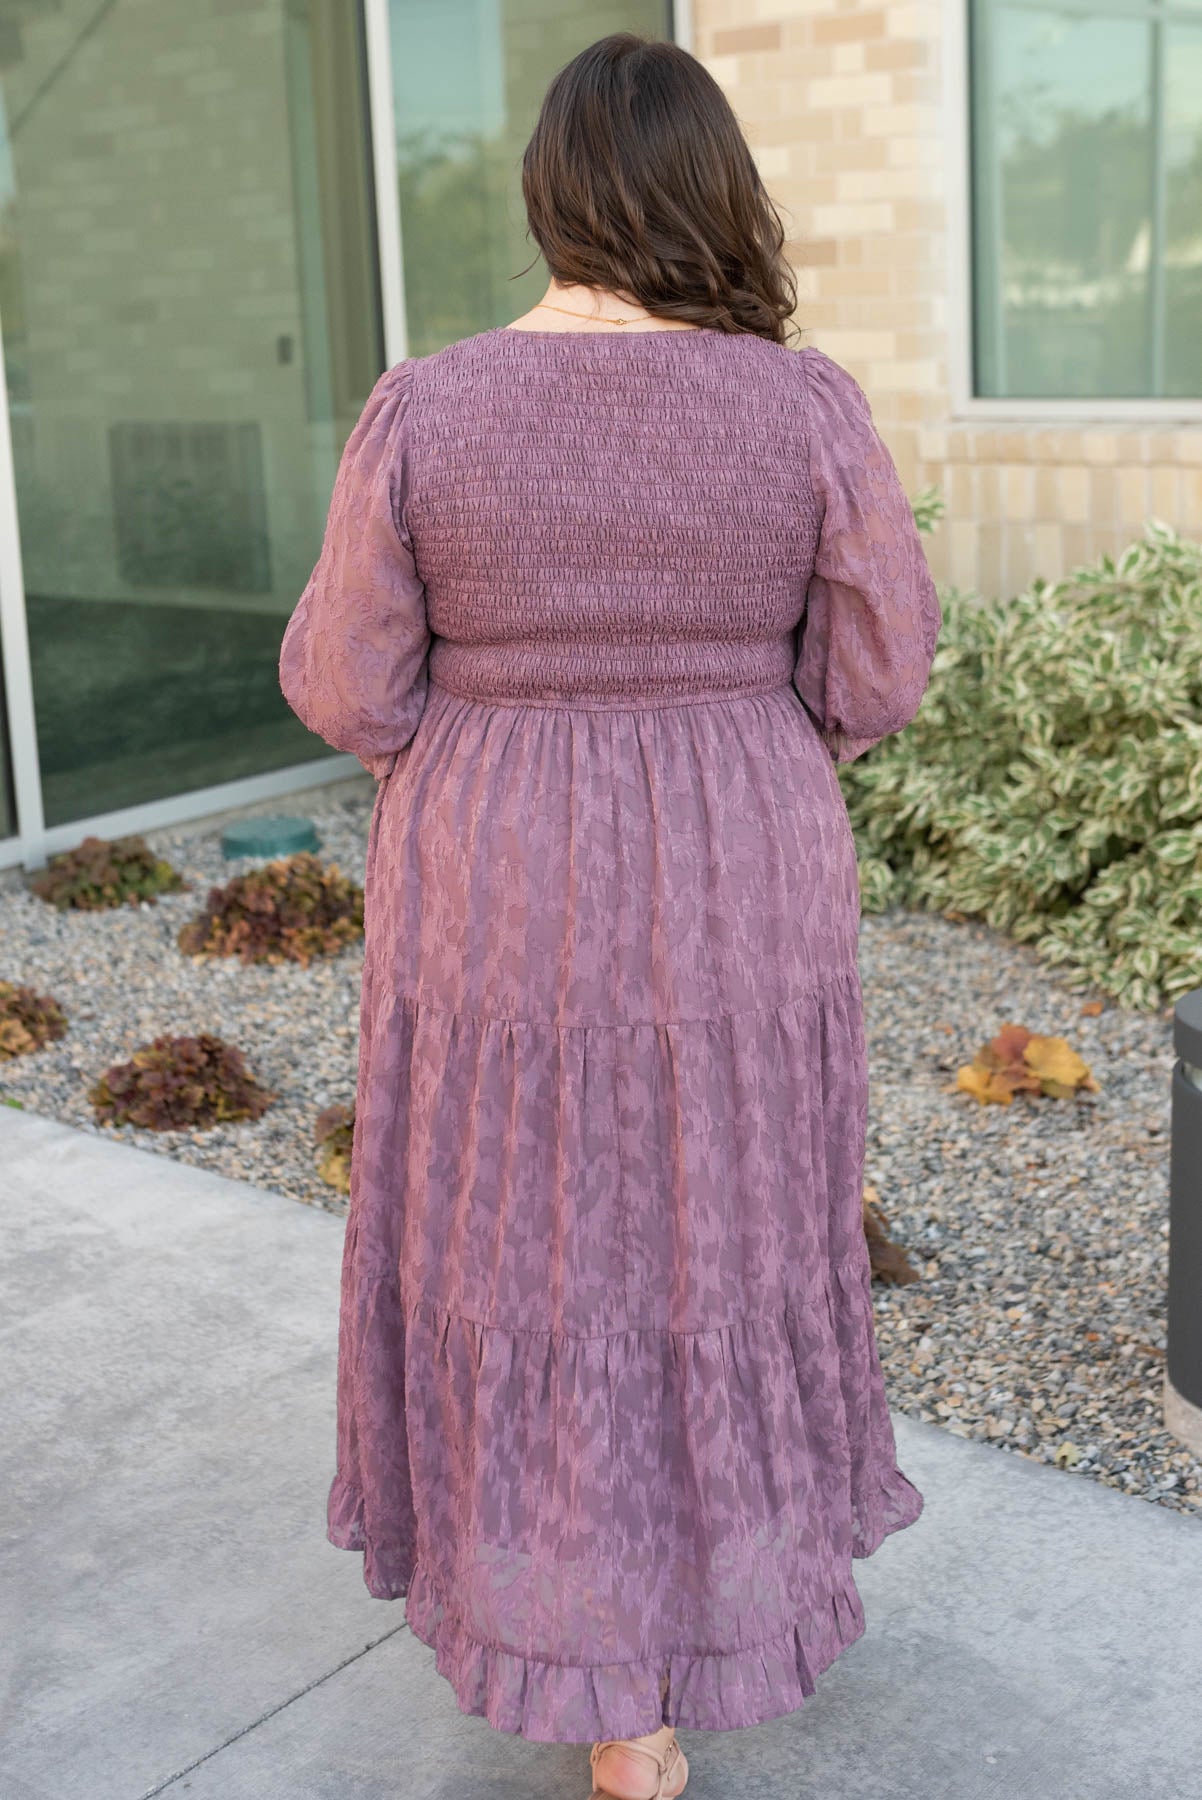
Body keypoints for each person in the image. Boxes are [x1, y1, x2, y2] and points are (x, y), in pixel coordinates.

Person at [278, 30, 940, 1800]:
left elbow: (346, 683)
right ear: (713, 193)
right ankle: (709, 1607)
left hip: (496, 859)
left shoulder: (429, 405)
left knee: (523, 1233)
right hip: (739, 849)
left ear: (549, 197)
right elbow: (878, 671)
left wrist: (492, 734)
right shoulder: (800, 408)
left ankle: (582, 1654)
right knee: (720, 1225)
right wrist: (728, 719)